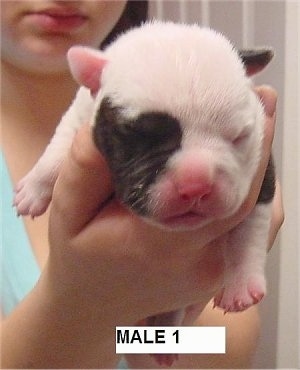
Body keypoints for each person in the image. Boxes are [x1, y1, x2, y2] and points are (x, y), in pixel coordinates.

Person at [0, 1, 283, 369]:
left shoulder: (208, 78)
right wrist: (81, 313)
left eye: (233, 137)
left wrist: (146, 328)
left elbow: (224, 345)